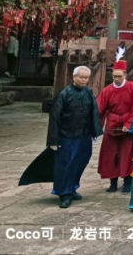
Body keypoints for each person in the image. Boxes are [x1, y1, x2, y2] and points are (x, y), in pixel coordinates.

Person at [46, 65, 103, 208]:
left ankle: (72, 187)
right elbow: (55, 117)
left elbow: (94, 112)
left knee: (81, 162)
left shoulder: (88, 92)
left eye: (86, 78)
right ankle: (64, 193)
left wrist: (95, 131)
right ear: (74, 77)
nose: (84, 80)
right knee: (66, 165)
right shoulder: (64, 93)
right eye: (81, 77)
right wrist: (53, 139)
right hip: (67, 136)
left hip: (84, 135)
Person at [97, 50, 133, 194]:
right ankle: (113, 182)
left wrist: (128, 124)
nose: (117, 79)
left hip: (128, 124)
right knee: (110, 153)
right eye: (114, 76)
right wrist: (97, 126)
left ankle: (127, 181)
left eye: (119, 76)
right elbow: (99, 108)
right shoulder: (107, 90)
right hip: (112, 123)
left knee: (127, 153)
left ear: (125, 75)